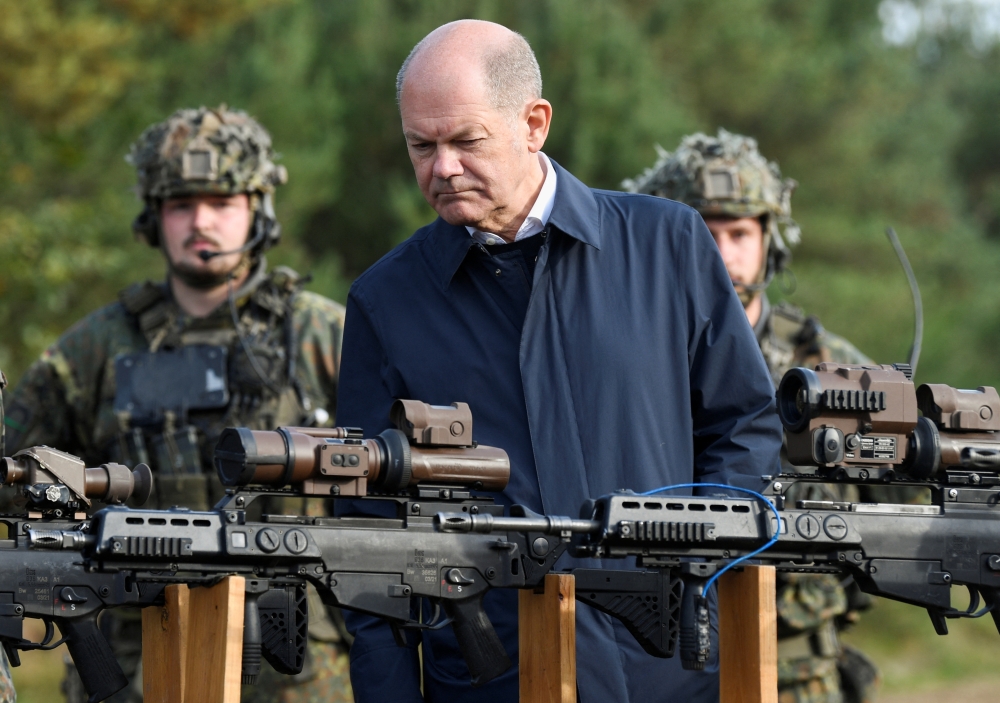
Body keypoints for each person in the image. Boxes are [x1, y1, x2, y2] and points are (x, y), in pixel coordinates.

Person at [336, 20, 782, 703]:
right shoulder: (384, 301)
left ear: (534, 123)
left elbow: (745, 427)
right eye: (421, 146)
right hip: (490, 682)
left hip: (673, 677)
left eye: (465, 140)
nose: (442, 167)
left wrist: (694, 561)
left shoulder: (667, 245)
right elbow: (368, 545)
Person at [2, 106, 351, 703]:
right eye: (181, 205)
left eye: (222, 203)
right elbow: (15, 463)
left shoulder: (322, 336)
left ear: (258, 210)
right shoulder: (97, 348)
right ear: (154, 217)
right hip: (129, 661)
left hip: (295, 665)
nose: (201, 222)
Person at [625, 129, 881, 703]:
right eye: (703, 232)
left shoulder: (829, 368)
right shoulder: (631, 364)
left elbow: (915, 495)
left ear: (770, 241)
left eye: (739, 233)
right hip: (660, 662)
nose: (723, 252)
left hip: (794, 669)